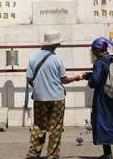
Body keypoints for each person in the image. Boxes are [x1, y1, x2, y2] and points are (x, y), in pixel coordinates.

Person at [25, 31, 85, 159]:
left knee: (39, 126)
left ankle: (33, 153)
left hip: (39, 98)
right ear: (55, 44)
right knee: (55, 128)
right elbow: (64, 80)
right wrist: (76, 78)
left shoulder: (33, 58)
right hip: (57, 98)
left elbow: (29, 78)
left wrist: (38, 87)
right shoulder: (57, 59)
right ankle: (52, 155)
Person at [85, 37, 113, 159]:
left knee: (103, 122)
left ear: (98, 50)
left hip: (103, 98)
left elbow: (96, 81)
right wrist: (90, 75)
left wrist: (90, 81)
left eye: (93, 50)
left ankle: (107, 153)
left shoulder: (99, 62)